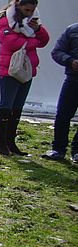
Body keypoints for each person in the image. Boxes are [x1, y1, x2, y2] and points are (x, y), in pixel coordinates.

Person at [0, 0, 49, 156]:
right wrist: (32, 41)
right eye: (26, 10)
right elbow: (10, 42)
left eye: (32, 10)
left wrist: (37, 30)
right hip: (9, 69)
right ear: (18, 6)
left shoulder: (34, 23)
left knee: (17, 107)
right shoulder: (5, 19)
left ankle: (11, 142)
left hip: (26, 69)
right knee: (6, 105)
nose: (29, 13)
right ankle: (0, 143)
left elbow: (44, 40)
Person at [43, 22, 78, 163]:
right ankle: (58, 149)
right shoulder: (72, 30)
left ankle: (76, 150)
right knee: (63, 115)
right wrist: (70, 61)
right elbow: (57, 52)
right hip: (73, 80)